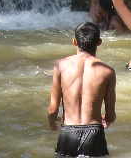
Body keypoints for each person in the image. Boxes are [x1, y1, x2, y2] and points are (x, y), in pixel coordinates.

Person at [47, 22, 116, 158]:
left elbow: (52, 110)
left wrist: (52, 124)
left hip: (68, 133)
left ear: (74, 41)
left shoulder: (60, 66)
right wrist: (107, 120)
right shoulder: (108, 71)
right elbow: (110, 115)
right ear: (99, 42)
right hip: (94, 134)